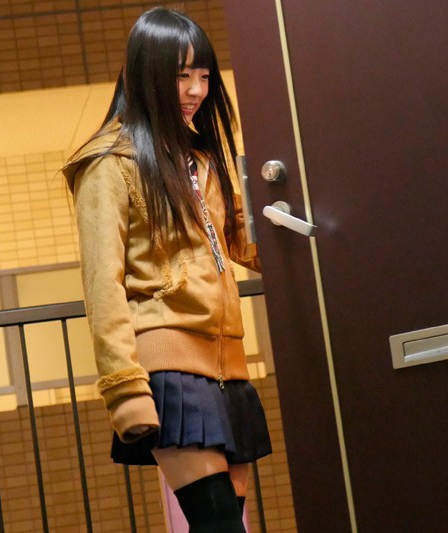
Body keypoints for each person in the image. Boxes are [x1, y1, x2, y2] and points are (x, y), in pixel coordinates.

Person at [62, 7, 271, 533]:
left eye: (203, 75)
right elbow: (102, 283)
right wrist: (124, 387)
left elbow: (241, 244)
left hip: (228, 365)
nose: (196, 89)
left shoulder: (200, 158)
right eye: (181, 75)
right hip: (169, 364)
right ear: (146, 72)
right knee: (220, 524)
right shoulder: (109, 162)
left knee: (226, 524)